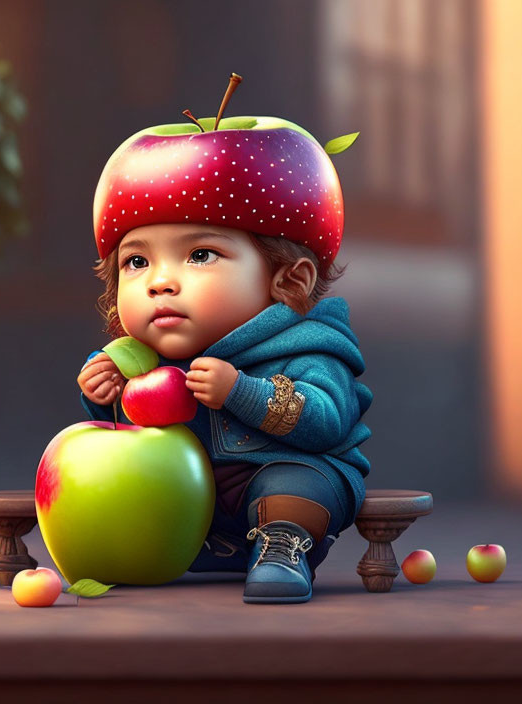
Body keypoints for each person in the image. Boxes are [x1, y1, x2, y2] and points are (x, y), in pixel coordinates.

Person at [76, 103, 371, 604]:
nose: (160, 282)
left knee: (298, 482)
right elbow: (139, 423)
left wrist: (242, 391)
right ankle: (143, 548)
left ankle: (282, 547)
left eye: (200, 255)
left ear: (288, 279)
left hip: (277, 479)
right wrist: (105, 393)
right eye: (137, 261)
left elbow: (327, 419)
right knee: (132, 466)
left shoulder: (308, 345)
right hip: (188, 493)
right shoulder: (146, 355)